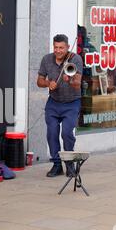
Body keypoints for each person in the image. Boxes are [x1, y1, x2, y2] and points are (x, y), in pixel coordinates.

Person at [37, 34, 83, 177]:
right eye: (56, 47)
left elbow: (77, 84)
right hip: (53, 102)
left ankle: (69, 165)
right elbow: (39, 81)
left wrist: (69, 79)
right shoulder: (46, 59)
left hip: (72, 102)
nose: (58, 50)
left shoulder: (75, 59)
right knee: (51, 133)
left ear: (67, 47)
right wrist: (48, 83)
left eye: (61, 48)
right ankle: (57, 165)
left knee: (67, 133)